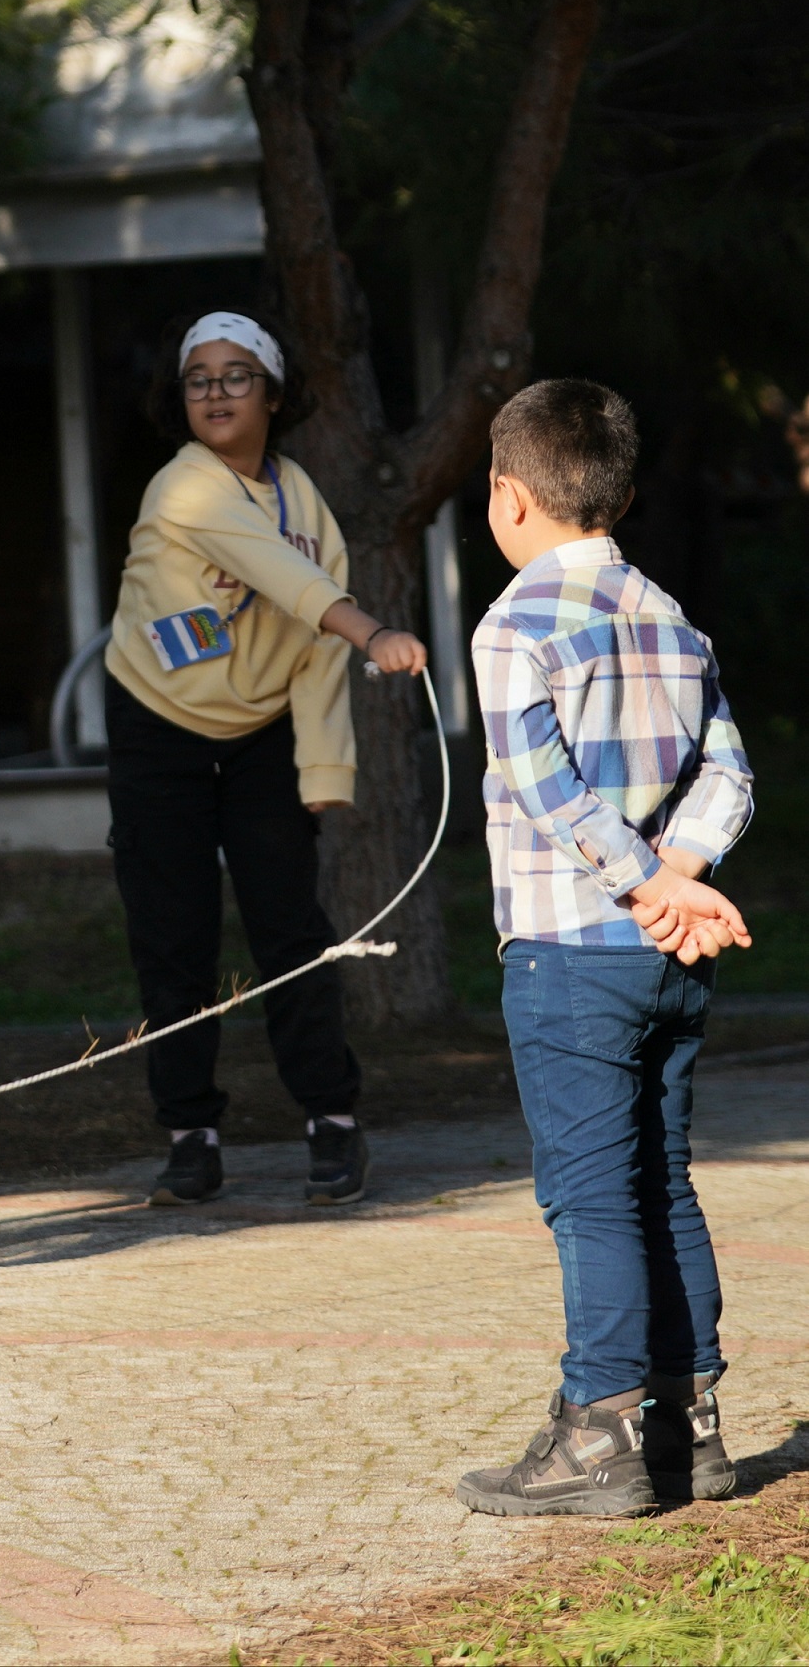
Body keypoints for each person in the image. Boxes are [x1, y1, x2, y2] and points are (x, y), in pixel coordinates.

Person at [455, 380, 754, 1519]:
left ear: (505, 495)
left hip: (570, 952)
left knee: (591, 1199)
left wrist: (646, 887)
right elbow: (731, 773)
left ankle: (602, 1436)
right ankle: (692, 1428)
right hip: (670, 954)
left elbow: (546, 792)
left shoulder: (514, 623)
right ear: (624, 494)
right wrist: (681, 881)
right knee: (661, 1179)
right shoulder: (674, 617)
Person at [104, 311, 427, 1211]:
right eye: (198, 377)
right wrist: (373, 630)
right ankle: (190, 1134)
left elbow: (315, 645)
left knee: (291, 929)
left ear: (274, 396)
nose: (214, 390)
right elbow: (294, 587)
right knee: (174, 937)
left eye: (236, 375)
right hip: (157, 724)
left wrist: (323, 773)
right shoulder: (183, 486)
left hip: (260, 739)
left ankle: (331, 1119)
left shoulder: (306, 508)